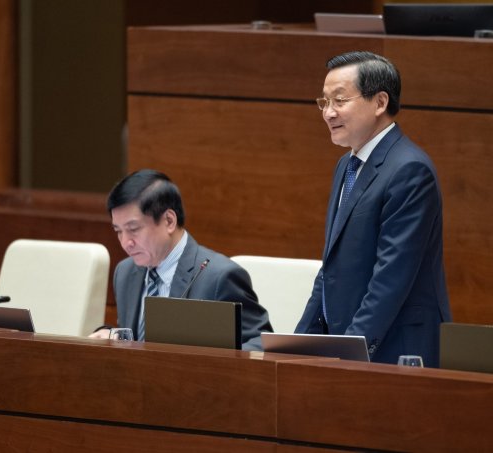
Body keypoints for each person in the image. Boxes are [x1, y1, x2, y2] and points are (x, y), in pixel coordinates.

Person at [295, 51, 451, 367]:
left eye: (339, 100)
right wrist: (295, 346)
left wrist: (349, 352)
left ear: (380, 103)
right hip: (354, 346)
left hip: (397, 351)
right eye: (324, 102)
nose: (328, 113)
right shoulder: (346, 166)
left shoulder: (409, 170)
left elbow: (390, 279)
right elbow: (331, 269)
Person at [90, 169, 272, 350]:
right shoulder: (125, 272)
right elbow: (136, 339)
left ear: (169, 221)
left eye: (133, 229)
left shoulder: (218, 277)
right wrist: (111, 334)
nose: (125, 242)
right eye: (118, 231)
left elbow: (260, 343)